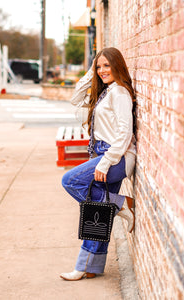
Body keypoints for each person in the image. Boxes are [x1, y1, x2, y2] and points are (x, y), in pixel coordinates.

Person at [60, 47, 136, 281]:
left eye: (107, 65)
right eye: (99, 66)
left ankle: (120, 203)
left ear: (118, 65)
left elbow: (124, 134)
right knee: (97, 212)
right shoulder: (104, 91)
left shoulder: (120, 93)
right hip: (102, 154)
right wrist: (92, 70)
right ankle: (90, 267)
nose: (102, 70)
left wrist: (105, 163)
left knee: (70, 180)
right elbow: (75, 99)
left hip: (116, 157)